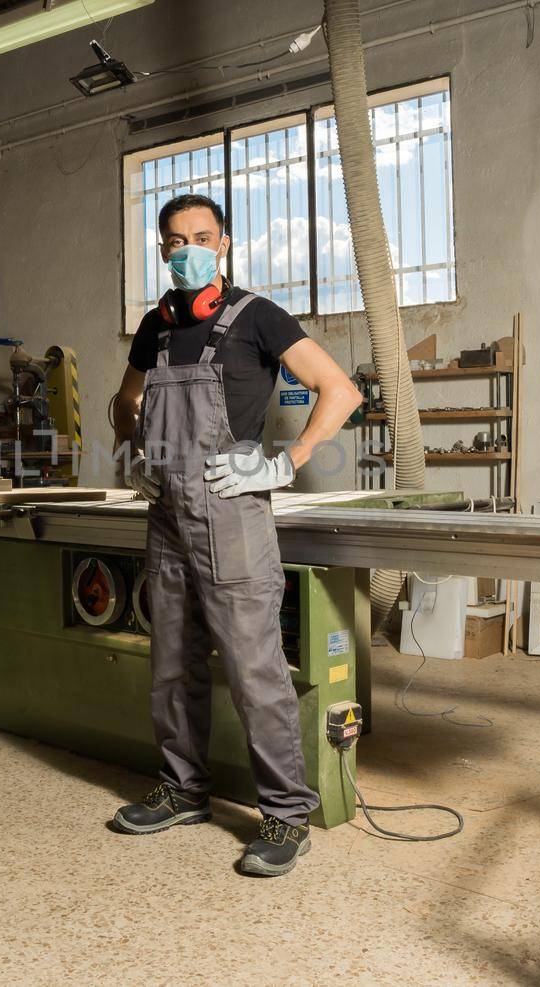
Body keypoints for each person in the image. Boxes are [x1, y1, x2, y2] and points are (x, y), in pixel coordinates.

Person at [109, 193, 363, 876]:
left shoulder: (257, 318)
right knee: (171, 659)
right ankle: (183, 789)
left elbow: (339, 389)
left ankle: (286, 815)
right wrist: (132, 451)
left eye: (201, 235)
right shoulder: (155, 327)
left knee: (254, 668)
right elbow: (125, 398)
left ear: (223, 243)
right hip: (165, 514)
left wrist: (285, 460)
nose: (187, 247)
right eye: (174, 239)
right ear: (161, 249)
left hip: (231, 509)